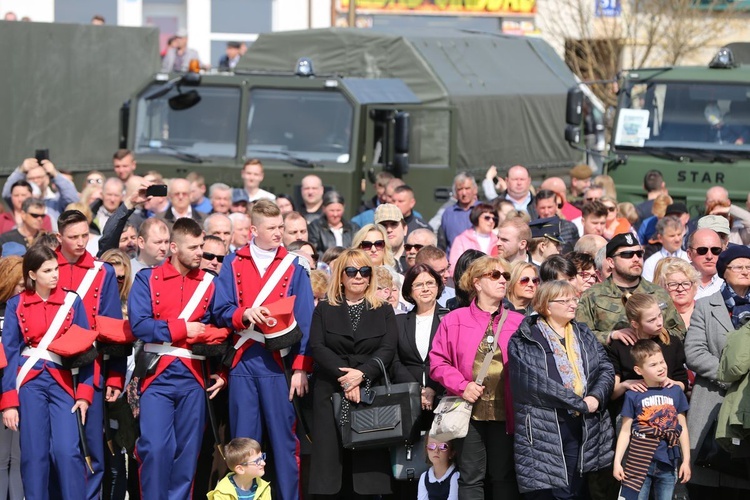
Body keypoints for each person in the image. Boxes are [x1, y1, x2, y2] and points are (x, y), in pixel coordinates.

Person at [213, 200, 314, 500]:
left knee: (285, 445)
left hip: (278, 366)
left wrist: (300, 368)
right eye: (272, 228)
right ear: (254, 230)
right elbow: (220, 309)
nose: (279, 233)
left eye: (281, 227)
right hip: (244, 363)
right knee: (244, 447)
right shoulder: (233, 263)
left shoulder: (295, 265)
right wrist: (243, 314)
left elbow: (306, 321)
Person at [128, 217, 226, 499]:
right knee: (156, 449)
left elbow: (225, 330)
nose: (200, 253)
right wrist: (182, 328)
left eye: (201, 246)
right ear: (173, 247)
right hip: (157, 377)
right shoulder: (148, 278)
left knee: (187, 453)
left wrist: (223, 372)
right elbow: (140, 325)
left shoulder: (211, 283)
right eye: (194, 247)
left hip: (194, 377)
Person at [0, 245, 94, 499]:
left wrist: (85, 393)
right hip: (29, 383)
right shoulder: (15, 305)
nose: (55, 275)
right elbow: (7, 355)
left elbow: (87, 349)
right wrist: (8, 401)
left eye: (56, 269)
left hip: (62, 381)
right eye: (48, 270)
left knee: (67, 451)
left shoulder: (72, 301)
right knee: (33, 455)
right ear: (32, 274)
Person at [509, 280, 615, 499]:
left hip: (582, 422)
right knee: (549, 492)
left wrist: (595, 397)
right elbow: (533, 382)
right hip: (544, 425)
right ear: (547, 306)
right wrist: (579, 402)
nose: (573, 304)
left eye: (574, 299)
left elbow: (605, 368)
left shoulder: (583, 333)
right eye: (565, 300)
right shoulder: (525, 338)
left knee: (574, 489)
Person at [430, 256, 525, 499]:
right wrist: (462, 386)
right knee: (471, 477)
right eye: (495, 275)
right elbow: (438, 362)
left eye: (505, 275)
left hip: (507, 412)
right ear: (477, 283)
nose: (503, 280)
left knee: (504, 477)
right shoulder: (454, 319)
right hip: (468, 411)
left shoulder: (520, 322)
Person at [308, 248, 398, 497]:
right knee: (331, 467)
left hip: (370, 395)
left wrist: (361, 375)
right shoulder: (324, 309)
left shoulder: (383, 309)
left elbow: (388, 348)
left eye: (364, 271)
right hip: (331, 392)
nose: (358, 276)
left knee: (367, 471)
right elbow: (318, 346)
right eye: (351, 271)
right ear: (341, 276)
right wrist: (348, 379)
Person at [55, 209, 124, 500]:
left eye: (85, 235)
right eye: (73, 237)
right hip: (52, 369)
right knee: (58, 448)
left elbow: (112, 328)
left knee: (93, 449)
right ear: (59, 237)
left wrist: (117, 376)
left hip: (91, 368)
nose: (81, 242)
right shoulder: (47, 267)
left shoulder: (102, 271)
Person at [684, 244, 750, 493]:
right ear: (724, 271)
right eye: (739, 266)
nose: (745, 271)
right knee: (709, 478)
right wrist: (730, 377)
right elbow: (695, 353)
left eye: (749, 266)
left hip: (748, 404)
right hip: (712, 398)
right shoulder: (704, 306)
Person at [613, 340, 691, 500]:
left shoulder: (675, 391)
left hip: (667, 461)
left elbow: (682, 428)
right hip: (638, 461)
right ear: (638, 370)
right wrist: (617, 462)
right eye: (653, 365)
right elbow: (625, 431)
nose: (661, 367)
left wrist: (686, 460)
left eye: (662, 362)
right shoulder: (633, 394)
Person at [576, 233, 685, 345]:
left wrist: (655, 333)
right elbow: (580, 335)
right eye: (627, 254)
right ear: (611, 262)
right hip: (612, 360)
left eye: (639, 254)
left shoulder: (658, 293)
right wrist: (611, 336)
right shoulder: (592, 296)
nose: (636, 259)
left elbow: (680, 332)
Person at [608, 293, 688, 421]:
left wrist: (673, 383)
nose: (659, 323)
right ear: (635, 323)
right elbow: (612, 394)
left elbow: (683, 382)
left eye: (660, 315)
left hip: (667, 415)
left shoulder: (671, 342)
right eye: (651, 320)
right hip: (632, 417)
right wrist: (626, 384)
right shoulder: (620, 347)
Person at [391, 264, 445, 420]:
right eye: (419, 285)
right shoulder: (398, 322)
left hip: (442, 397)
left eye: (430, 283)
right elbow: (394, 360)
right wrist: (417, 390)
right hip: (407, 398)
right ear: (409, 291)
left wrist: (432, 388)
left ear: (438, 286)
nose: (425, 289)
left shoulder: (449, 319)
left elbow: (452, 359)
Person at [0, 257, 23, 500]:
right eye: (20, 284)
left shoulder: (24, 309)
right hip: (3, 390)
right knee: (1, 459)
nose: (24, 289)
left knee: (16, 458)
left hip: (18, 389)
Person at [2, 157, 79, 226]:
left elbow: (73, 200)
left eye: (39, 177)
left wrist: (54, 174)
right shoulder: (22, 200)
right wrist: (21, 171)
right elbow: (7, 194)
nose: (36, 181)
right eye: (31, 178)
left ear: (47, 179)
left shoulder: (56, 200)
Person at [448, 203, 498, 273]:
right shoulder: (461, 239)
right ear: (477, 217)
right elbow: (454, 267)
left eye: (494, 219)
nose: (491, 221)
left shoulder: (498, 240)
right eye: (487, 218)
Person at [438, 172, 479, 255]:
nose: (464, 193)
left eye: (467, 188)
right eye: (460, 189)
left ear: (475, 189)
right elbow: (442, 245)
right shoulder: (448, 214)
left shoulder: (483, 210)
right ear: (455, 192)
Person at [654, 258, 700, 329]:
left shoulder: (704, 311)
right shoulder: (658, 315)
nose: (680, 289)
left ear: (695, 286)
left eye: (685, 284)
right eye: (673, 284)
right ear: (664, 287)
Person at [308, 191, 357, 256]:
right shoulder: (315, 227)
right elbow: (314, 250)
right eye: (332, 211)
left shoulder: (353, 228)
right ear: (324, 209)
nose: (335, 214)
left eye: (338, 210)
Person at [642, 216, 688, 282]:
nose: (677, 239)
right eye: (672, 236)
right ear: (660, 238)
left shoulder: (689, 259)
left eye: (679, 234)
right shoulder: (651, 262)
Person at [687, 228, 725, 300]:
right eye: (702, 250)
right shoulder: (676, 283)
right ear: (689, 254)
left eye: (715, 250)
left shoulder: (730, 284)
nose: (709, 256)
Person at [374, 203, 409, 273]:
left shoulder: (416, 257)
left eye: (394, 224)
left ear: (405, 229)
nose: (389, 230)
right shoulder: (371, 260)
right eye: (383, 225)